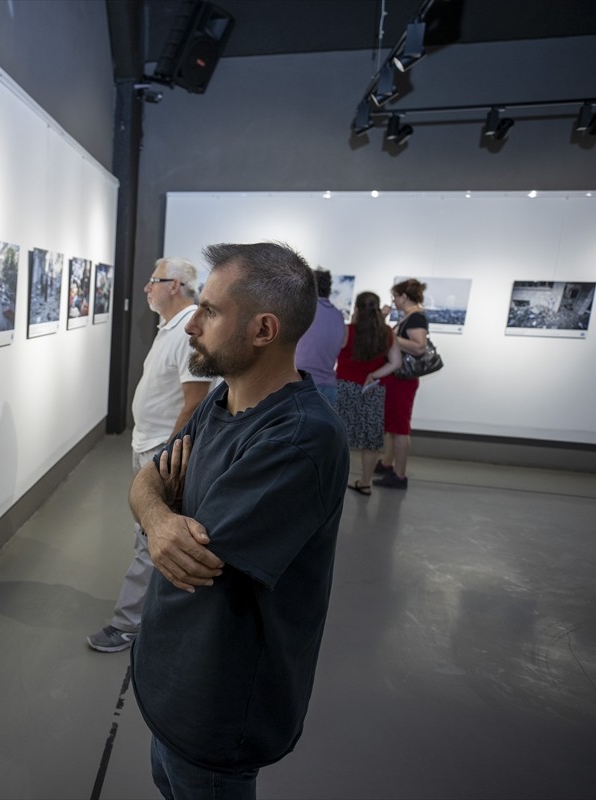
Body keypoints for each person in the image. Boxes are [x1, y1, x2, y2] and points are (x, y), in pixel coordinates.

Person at [130, 242, 349, 800]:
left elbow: (199, 560)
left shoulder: (300, 438)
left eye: (209, 311)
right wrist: (160, 519)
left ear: (263, 329)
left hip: (220, 702)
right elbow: (147, 482)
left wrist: (164, 516)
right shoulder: (220, 400)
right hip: (173, 682)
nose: (190, 326)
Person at [86, 257, 213, 653]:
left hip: (162, 451)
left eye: (153, 281)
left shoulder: (188, 331)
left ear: (175, 285)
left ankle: (128, 624)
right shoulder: (170, 328)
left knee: (151, 536)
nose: (146, 288)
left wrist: (167, 461)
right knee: (146, 533)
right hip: (149, 445)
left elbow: (194, 402)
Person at [334, 291, 402, 495]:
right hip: (371, 391)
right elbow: (396, 363)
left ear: (357, 308)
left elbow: (333, 353)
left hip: (344, 387)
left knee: (340, 437)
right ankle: (365, 482)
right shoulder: (387, 333)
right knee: (370, 440)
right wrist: (374, 374)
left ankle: (335, 481)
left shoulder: (347, 331)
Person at [373, 278, 430, 489]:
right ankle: (388, 463)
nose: (394, 301)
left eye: (396, 296)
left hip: (402, 382)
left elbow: (419, 346)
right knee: (393, 426)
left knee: (400, 427)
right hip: (397, 381)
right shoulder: (409, 317)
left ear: (404, 296)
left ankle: (399, 475)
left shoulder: (415, 318)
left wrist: (390, 336)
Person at [294, 268, 345, 405]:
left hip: (302, 384)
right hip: (329, 386)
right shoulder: (338, 315)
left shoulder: (303, 311)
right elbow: (342, 344)